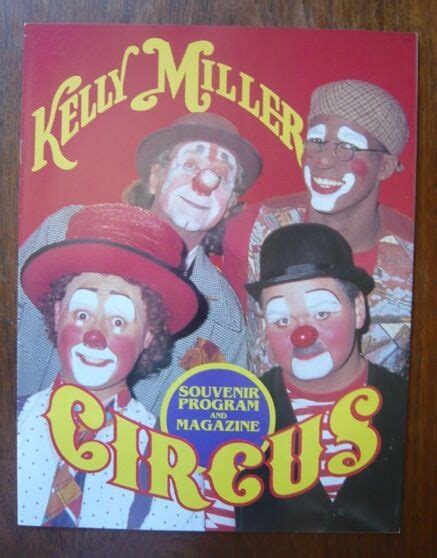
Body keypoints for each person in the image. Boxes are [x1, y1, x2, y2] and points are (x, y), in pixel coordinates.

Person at [17, 112, 262, 415]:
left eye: (221, 176)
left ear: (230, 204)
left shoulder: (225, 322)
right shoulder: (63, 232)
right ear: (155, 177)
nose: (204, 184)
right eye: (189, 165)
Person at [18, 203, 205, 530]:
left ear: (149, 334)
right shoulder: (13, 424)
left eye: (118, 321)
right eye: (82, 314)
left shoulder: (172, 466)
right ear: (58, 314)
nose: (95, 335)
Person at [222, 80, 413, 377]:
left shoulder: (416, 256)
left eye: (348, 147)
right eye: (316, 141)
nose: (323, 160)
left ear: (385, 167)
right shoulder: (252, 228)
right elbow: (229, 338)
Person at [236, 223, 407, 532]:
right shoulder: (242, 410)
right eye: (282, 320)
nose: (302, 335)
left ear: (358, 310)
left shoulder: (411, 405)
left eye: (322, 313)